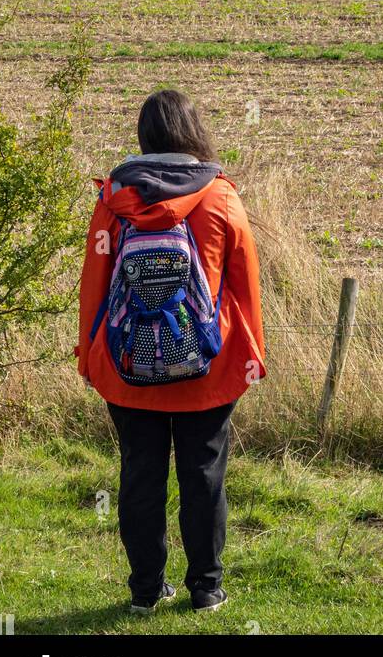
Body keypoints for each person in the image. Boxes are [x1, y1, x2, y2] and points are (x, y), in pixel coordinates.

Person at [76, 90, 265, 614]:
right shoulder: (221, 196)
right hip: (207, 364)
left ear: (144, 137)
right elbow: (245, 283)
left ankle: (144, 591)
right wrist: (252, 354)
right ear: (192, 132)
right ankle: (205, 588)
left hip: (128, 363)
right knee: (204, 475)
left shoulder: (114, 201)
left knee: (140, 474)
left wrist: (89, 354)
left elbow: (95, 282)